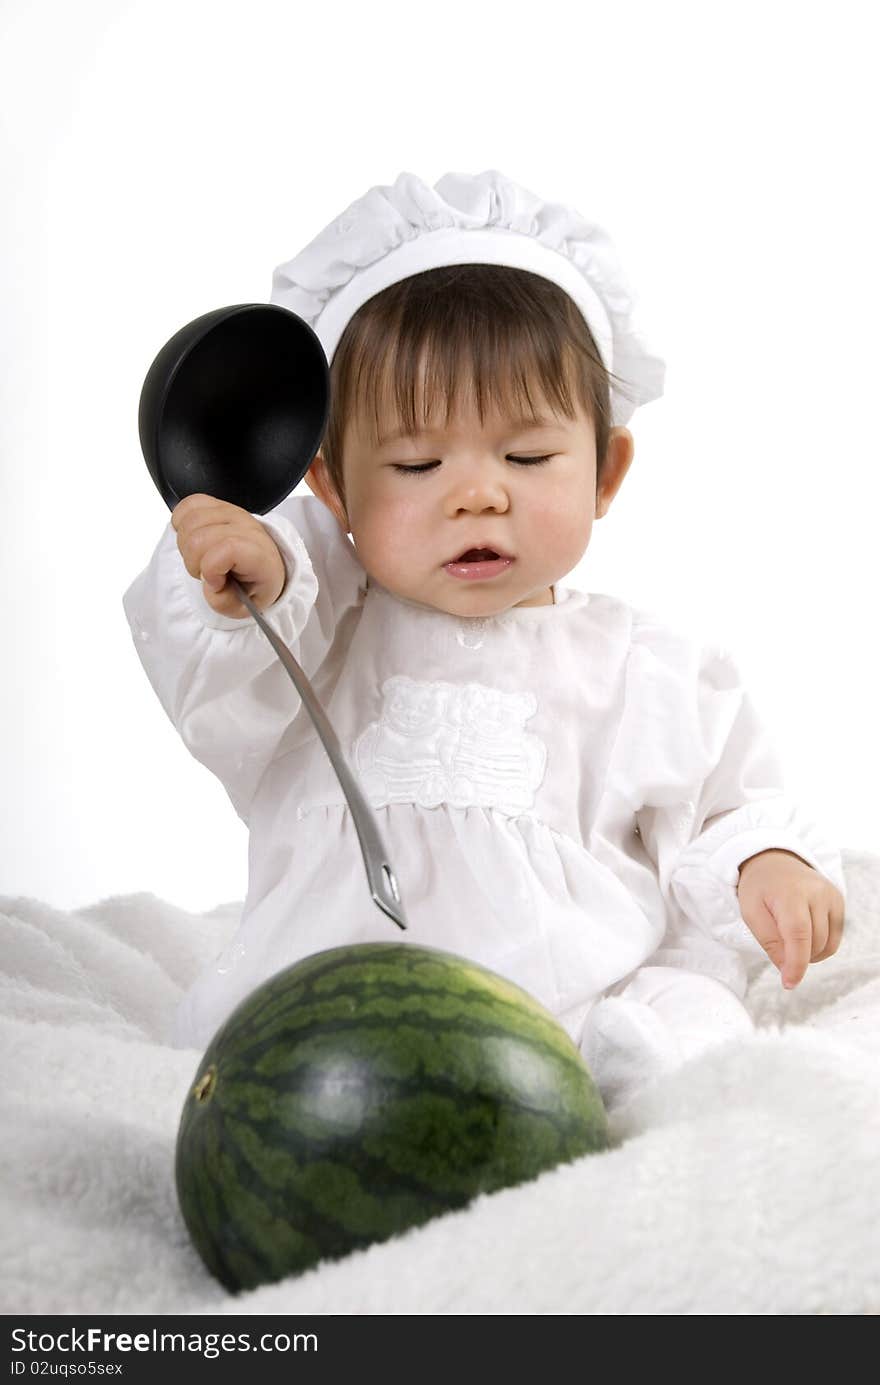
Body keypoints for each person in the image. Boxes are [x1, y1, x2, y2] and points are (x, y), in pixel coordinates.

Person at [123, 169, 846, 1114]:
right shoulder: (317, 614)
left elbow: (722, 803)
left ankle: (622, 1093)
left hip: (565, 1006)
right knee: (248, 1050)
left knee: (693, 1018)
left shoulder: (645, 669)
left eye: (528, 456)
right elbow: (219, 666)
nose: (478, 493)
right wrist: (243, 570)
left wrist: (766, 863)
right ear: (334, 488)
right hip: (327, 1002)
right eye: (418, 463)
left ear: (605, 471)